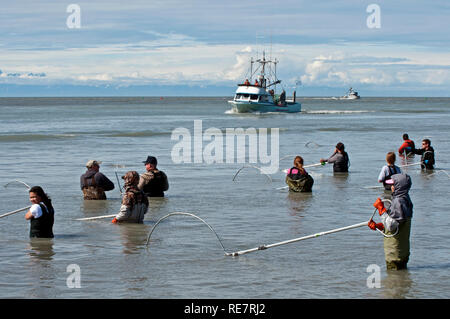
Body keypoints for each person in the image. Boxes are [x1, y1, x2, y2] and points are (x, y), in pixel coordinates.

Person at [368, 173, 413, 270]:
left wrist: (381, 209)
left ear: (399, 186)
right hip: (402, 252)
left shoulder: (399, 202)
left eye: (393, 185)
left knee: (393, 281)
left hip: (395, 254)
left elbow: (391, 225)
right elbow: (398, 225)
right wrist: (379, 226)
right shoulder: (405, 200)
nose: (391, 187)